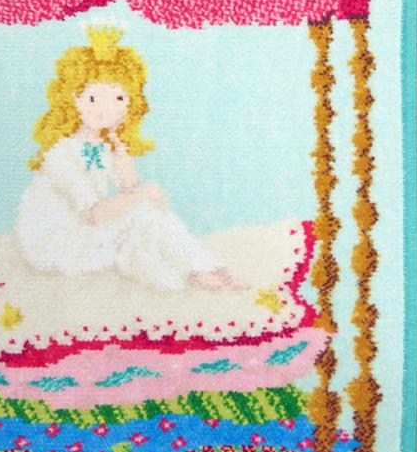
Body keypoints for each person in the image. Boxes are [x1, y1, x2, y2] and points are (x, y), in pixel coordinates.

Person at [14, 24, 245, 291]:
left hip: (86, 231)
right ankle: (197, 271)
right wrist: (144, 194)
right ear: (74, 99)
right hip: (55, 243)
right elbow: (96, 214)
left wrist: (123, 157)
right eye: (93, 98)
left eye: (118, 98)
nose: (105, 108)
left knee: (147, 217)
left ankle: (211, 268)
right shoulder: (61, 154)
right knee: (142, 216)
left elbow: (128, 192)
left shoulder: (101, 148)